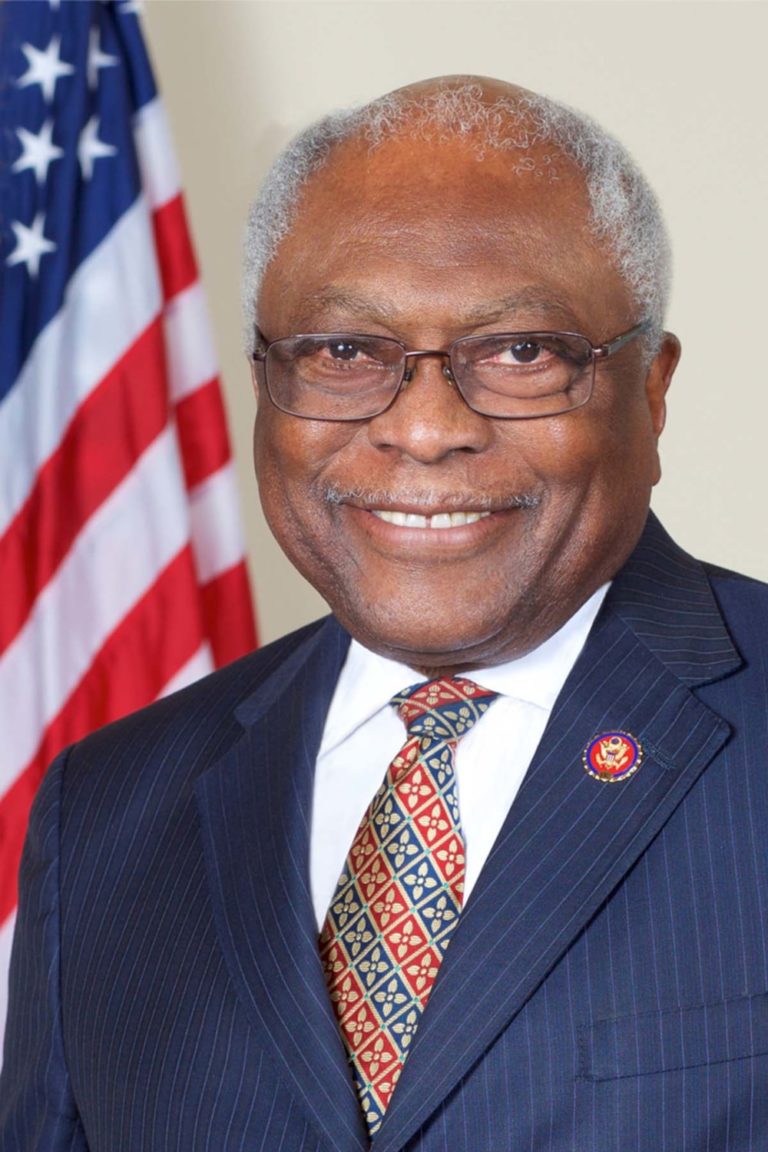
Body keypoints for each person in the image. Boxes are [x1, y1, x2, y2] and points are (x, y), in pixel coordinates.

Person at [2, 75, 767, 1152]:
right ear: (267, 382)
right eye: (346, 353)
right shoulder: (107, 812)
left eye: (520, 352)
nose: (423, 430)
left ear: (650, 389)